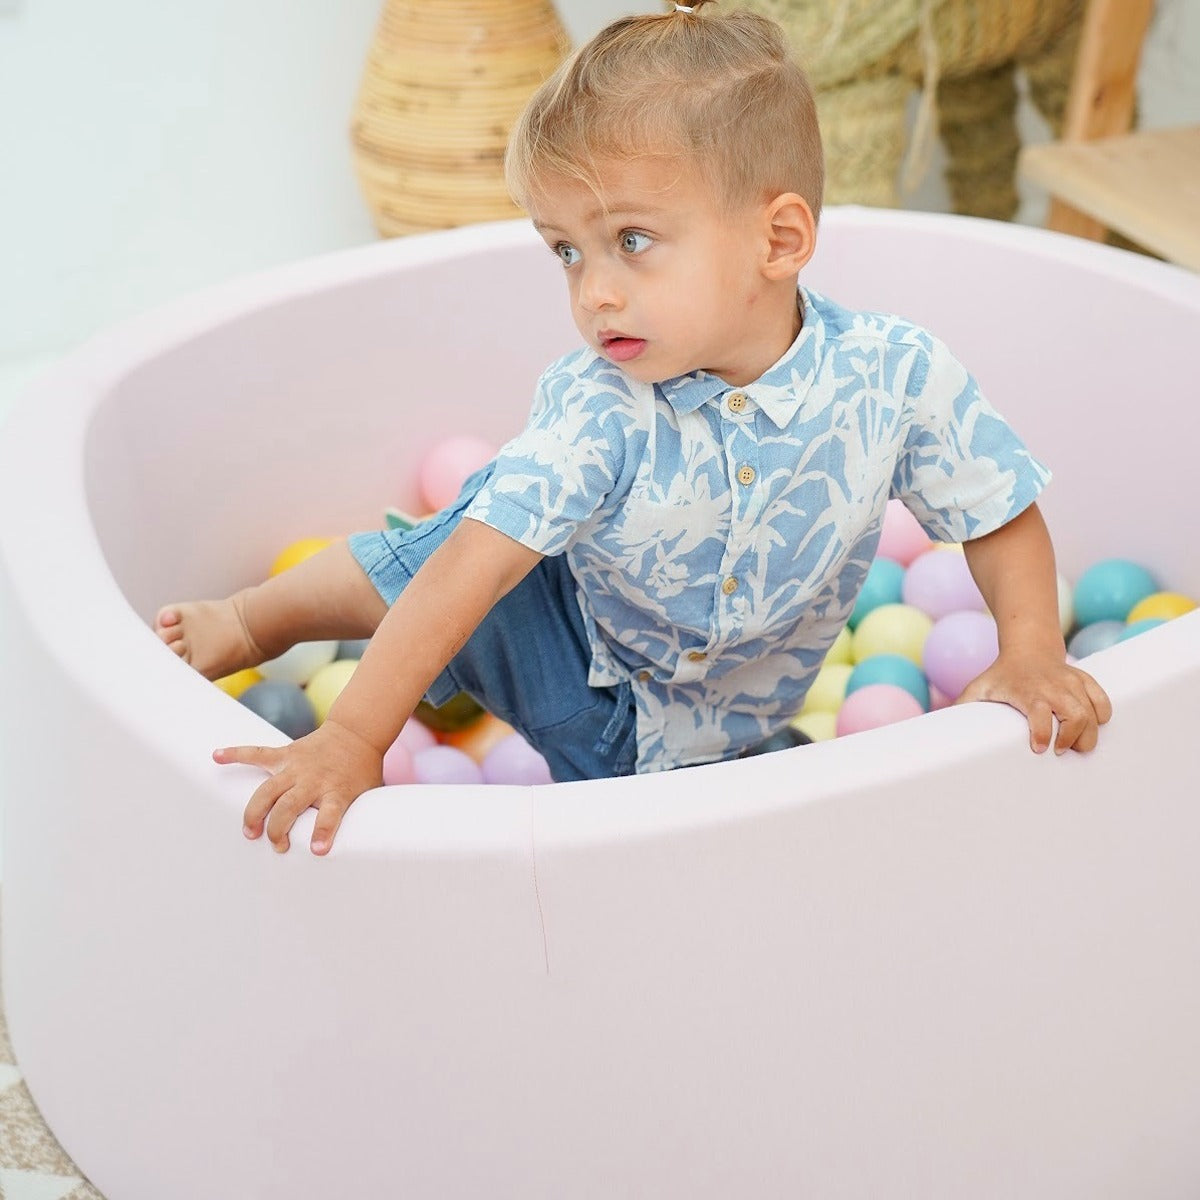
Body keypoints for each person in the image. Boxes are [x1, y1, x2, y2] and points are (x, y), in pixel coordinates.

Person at [155, 1, 1111, 856]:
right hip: (569, 651)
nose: (594, 292)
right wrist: (352, 737)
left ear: (779, 239)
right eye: (567, 252)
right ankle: (249, 620)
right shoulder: (601, 402)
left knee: (702, 854)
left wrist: (1030, 651)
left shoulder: (894, 378)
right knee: (427, 558)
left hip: (714, 719)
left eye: (632, 241)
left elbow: (994, 507)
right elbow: (465, 575)